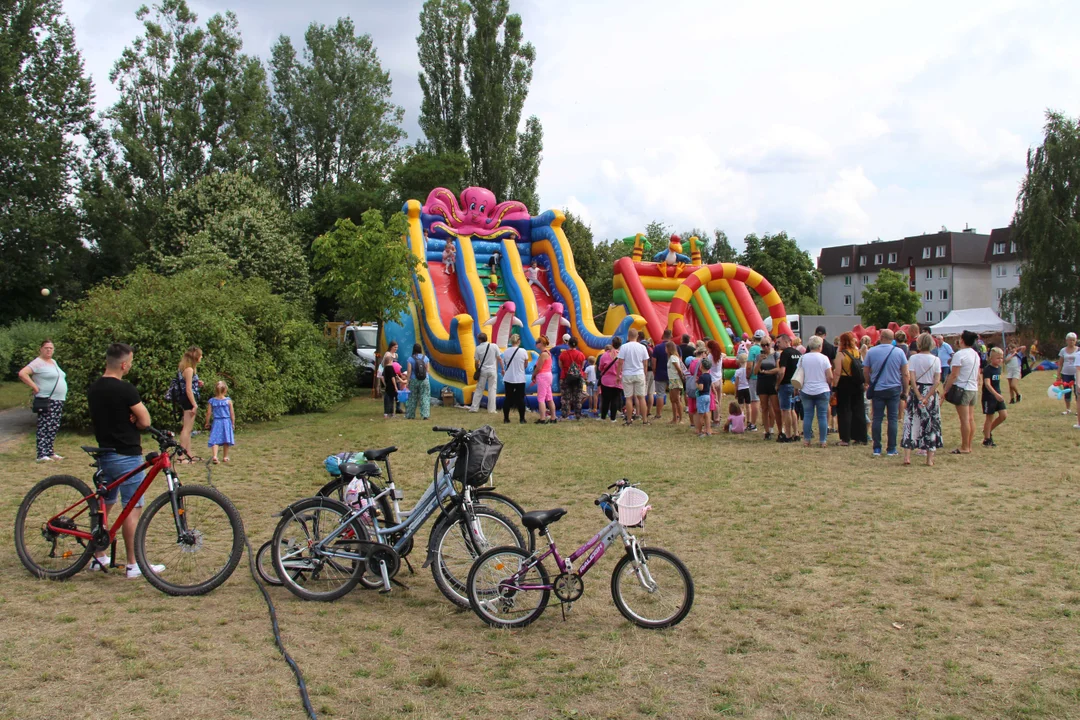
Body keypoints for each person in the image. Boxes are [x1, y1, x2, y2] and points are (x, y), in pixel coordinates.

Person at [86, 343, 164, 578]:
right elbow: (145, 420)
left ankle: (98, 556)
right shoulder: (126, 389)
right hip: (127, 454)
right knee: (132, 507)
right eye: (130, 361)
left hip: (105, 453)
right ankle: (133, 563)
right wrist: (134, 419)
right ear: (123, 364)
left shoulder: (94, 388)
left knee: (104, 507)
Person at [18, 338, 67, 462]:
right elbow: (23, 373)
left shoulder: (53, 362)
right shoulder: (38, 362)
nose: (49, 350)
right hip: (46, 398)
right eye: (46, 348)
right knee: (45, 425)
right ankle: (41, 453)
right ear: (41, 349)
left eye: (51, 348)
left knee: (53, 425)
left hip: (58, 399)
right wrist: (34, 386)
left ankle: (49, 451)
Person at [864, 329, 908, 457]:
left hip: (878, 388)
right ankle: (891, 448)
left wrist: (869, 382)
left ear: (881, 337)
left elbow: (866, 370)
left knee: (877, 418)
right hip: (894, 388)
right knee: (892, 419)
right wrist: (905, 390)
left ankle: (877, 448)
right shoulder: (899, 352)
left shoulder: (872, 351)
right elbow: (905, 373)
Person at [900, 333, 943, 466]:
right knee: (931, 423)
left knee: (911, 421)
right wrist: (927, 396)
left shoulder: (913, 358)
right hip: (930, 393)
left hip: (916, 390)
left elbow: (911, 377)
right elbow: (937, 381)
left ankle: (907, 456)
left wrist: (918, 395)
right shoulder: (936, 360)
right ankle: (929, 458)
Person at [942, 330, 981, 455]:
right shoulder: (975, 354)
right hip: (973, 388)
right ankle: (968, 444)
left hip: (962, 388)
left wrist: (946, 389)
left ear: (962, 340)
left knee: (964, 419)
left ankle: (965, 446)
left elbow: (954, 375)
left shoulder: (960, 354)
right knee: (970, 418)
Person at [831, 331, 867, 447]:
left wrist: (834, 387)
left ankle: (845, 438)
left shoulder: (841, 354)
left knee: (844, 411)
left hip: (845, 383)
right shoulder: (857, 352)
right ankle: (861, 437)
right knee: (859, 410)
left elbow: (837, 372)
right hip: (857, 383)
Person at [799, 336, 834, 448]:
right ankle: (823, 440)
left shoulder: (803, 358)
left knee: (808, 415)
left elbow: (799, 374)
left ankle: (807, 440)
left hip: (806, 389)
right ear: (820, 346)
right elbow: (830, 376)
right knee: (822, 416)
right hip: (822, 389)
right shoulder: (824, 358)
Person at [173, 347, 203, 462]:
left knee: (189, 429)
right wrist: (194, 405)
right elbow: (188, 390)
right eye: (200, 355)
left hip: (186, 399)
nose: (201, 357)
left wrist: (198, 383)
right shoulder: (189, 370)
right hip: (189, 400)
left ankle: (189, 453)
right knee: (186, 428)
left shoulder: (184, 369)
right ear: (195, 357)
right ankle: (181, 456)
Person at [617, 328, 651, 426]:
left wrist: (618, 375)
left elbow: (620, 362)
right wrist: (644, 375)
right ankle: (645, 420)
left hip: (627, 373)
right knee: (641, 397)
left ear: (628, 336)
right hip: (639, 372)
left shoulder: (624, 347)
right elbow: (645, 363)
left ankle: (629, 420)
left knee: (628, 398)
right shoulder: (642, 347)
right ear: (637, 336)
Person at [775, 334, 800, 442]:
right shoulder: (798, 353)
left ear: (786, 342)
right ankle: (796, 433)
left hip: (786, 384)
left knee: (786, 410)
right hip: (795, 384)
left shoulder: (785, 354)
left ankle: (788, 435)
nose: (777, 344)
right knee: (793, 409)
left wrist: (777, 384)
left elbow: (782, 371)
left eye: (779, 342)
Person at [755, 337, 781, 440]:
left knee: (776, 408)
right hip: (762, 382)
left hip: (772, 382)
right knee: (764, 407)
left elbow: (778, 369)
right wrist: (760, 361)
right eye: (763, 345)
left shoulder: (775, 355)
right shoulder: (758, 356)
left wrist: (767, 372)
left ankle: (779, 429)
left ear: (771, 344)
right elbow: (755, 371)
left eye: (767, 344)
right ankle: (766, 431)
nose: (765, 347)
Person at [982, 347, 1008, 447]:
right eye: (998, 358)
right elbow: (987, 384)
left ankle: (987, 431)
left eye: (1001, 358)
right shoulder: (988, 369)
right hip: (989, 396)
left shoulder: (999, 369)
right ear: (991, 358)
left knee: (1003, 415)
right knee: (989, 417)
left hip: (998, 395)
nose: (1000, 360)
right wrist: (995, 395)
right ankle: (987, 439)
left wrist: (999, 394)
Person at [499, 334, 528, 424]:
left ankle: (506, 418)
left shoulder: (506, 351)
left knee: (508, 398)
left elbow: (505, 363)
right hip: (520, 378)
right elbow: (525, 364)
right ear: (519, 341)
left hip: (508, 378)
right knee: (520, 399)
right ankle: (522, 419)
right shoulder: (523, 351)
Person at [204, 381, 235, 464]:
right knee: (226, 439)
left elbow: (209, 413)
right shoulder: (228, 401)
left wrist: (207, 422)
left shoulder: (212, 401)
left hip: (217, 421)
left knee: (215, 439)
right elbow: (232, 413)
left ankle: (215, 456)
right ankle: (225, 456)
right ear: (225, 390)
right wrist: (233, 423)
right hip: (226, 421)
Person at [470, 332, 499, 414]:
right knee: (492, 390)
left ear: (480, 340)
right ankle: (492, 409)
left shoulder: (478, 348)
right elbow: (499, 357)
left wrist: (477, 369)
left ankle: (474, 408)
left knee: (479, 389)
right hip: (492, 370)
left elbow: (476, 362)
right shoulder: (494, 346)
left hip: (483, 370)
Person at [558, 337, 586, 419]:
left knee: (565, 397)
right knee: (577, 397)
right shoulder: (581, 354)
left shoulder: (563, 354)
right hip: (578, 378)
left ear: (568, 344)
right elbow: (582, 366)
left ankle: (565, 414)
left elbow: (560, 365)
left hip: (565, 377)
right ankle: (577, 414)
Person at [532, 335, 556, 423]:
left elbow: (539, 367)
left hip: (543, 376)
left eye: (537, 343)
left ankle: (542, 418)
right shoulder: (548, 353)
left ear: (541, 343)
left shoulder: (543, 354)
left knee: (541, 398)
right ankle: (553, 417)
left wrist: (533, 375)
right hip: (548, 375)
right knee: (549, 397)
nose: (536, 344)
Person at [404, 344, 431, 420]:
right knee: (425, 397)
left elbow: (409, 371)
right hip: (424, 380)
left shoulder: (410, 359)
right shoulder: (425, 358)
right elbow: (428, 370)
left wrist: (407, 381)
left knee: (412, 398)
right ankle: (425, 415)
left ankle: (410, 415)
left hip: (414, 380)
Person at [598, 339, 622, 422]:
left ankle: (603, 417)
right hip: (617, 380)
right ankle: (613, 418)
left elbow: (600, 367)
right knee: (615, 400)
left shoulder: (605, 355)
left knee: (605, 400)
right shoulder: (621, 355)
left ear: (612, 344)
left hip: (606, 381)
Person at [651, 330, 672, 420]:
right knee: (675, 395)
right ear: (671, 336)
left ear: (663, 336)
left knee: (660, 394)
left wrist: (654, 371)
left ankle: (658, 414)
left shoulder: (657, 347)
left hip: (660, 373)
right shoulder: (675, 347)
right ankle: (677, 414)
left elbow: (654, 362)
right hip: (672, 374)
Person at [666, 339, 687, 425]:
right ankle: (674, 418)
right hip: (672, 379)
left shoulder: (673, 358)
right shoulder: (672, 357)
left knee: (677, 399)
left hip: (675, 380)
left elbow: (678, 369)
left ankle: (680, 418)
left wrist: (681, 378)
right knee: (672, 399)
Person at [746, 330, 764, 430]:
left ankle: (753, 424)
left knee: (755, 401)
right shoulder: (766, 348)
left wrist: (747, 375)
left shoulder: (753, 349)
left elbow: (749, 365)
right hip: (764, 376)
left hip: (754, 377)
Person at [1057, 332, 1079, 415]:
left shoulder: (1078, 350)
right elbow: (1060, 363)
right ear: (1067, 340)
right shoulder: (1063, 350)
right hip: (1066, 373)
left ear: (1076, 341)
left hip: (1076, 374)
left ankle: (1078, 410)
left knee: (1077, 392)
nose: (1072, 342)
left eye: (1073, 340)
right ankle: (1068, 409)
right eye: (1070, 340)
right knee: (1067, 391)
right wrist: (1058, 374)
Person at [707, 339, 725, 425]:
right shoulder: (720, 355)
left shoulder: (710, 357)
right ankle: (718, 416)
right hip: (719, 378)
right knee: (719, 399)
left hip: (713, 380)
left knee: (714, 401)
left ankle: (716, 419)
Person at [695, 356, 714, 436]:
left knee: (700, 415)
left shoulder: (701, 377)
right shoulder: (709, 376)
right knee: (706, 413)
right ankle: (708, 430)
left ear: (701, 366)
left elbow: (701, 388)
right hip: (708, 396)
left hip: (702, 397)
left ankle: (699, 431)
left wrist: (696, 383)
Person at [381, 351, 400, 419]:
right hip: (392, 386)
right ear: (390, 361)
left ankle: (386, 413)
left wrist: (385, 384)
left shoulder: (385, 368)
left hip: (387, 385)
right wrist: (395, 386)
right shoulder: (391, 368)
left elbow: (382, 377)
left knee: (387, 399)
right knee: (392, 399)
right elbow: (392, 377)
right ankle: (391, 413)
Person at [734, 353, 751, 420]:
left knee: (741, 406)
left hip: (740, 389)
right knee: (748, 405)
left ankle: (741, 419)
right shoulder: (748, 370)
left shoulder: (738, 371)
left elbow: (736, 383)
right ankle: (749, 420)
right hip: (747, 388)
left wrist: (736, 392)